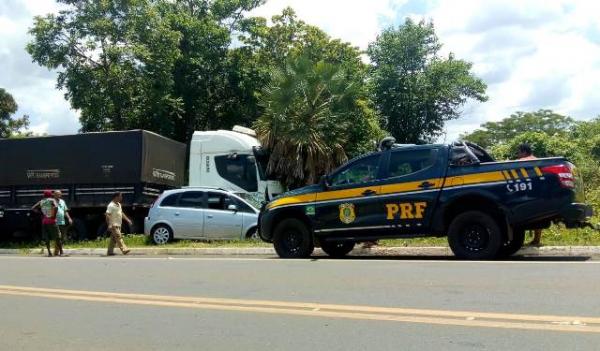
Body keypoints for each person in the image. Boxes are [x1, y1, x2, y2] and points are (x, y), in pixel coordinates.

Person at [517, 143, 542, 246]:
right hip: (539, 192)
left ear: (524, 152)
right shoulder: (537, 160)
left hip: (527, 193)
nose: (518, 154)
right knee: (538, 217)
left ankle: (520, 241)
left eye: (519, 152)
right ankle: (537, 240)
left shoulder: (522, 161)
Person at [31, 190, 61, 257]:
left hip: (44, 221)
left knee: (46, 237)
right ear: (50, 194)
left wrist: (40, 213)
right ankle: (61, 252)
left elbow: (33, 208)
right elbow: (56, 207)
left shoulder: (41, 201)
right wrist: (53, 215)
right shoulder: (51, 200)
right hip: (52, 221)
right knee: (57, 237)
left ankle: (49, 253)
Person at [54, 190, 72, 255]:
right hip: (55, 222)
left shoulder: (62, 201)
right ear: (54, 195)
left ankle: (56, 251)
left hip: (62, 221)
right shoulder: (52, 201)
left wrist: (69, 218)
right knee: (58, 237)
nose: (58, 195)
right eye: (57, 194)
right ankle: (60, 252)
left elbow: (65, 211)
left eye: (59, 194)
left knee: (62, 237)